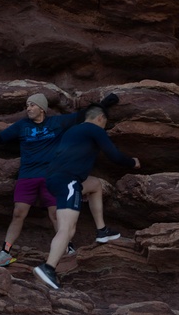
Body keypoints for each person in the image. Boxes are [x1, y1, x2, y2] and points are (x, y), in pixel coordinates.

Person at [0, 93, 122, 266]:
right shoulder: (22, 126)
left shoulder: (56, 123)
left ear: (42, 108)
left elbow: (84, 116)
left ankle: (67, 249)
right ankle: (5, 251)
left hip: (51, 176)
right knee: (18, 212)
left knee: (56, 214)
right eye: (27, 105)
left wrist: (105, 104)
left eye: (31, 105)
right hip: (27, 176)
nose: (28, 108)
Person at [34, 106, 139, 290]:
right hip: (68, 180)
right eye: (104, 124)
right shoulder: (94, 129)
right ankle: (48, 267)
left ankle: (102, 231)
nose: (103, 129)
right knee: (67, 229)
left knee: (95, 185)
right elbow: (113, 154)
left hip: (56, 179)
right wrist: (132, 162)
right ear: (100, 118)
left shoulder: (74, 130)